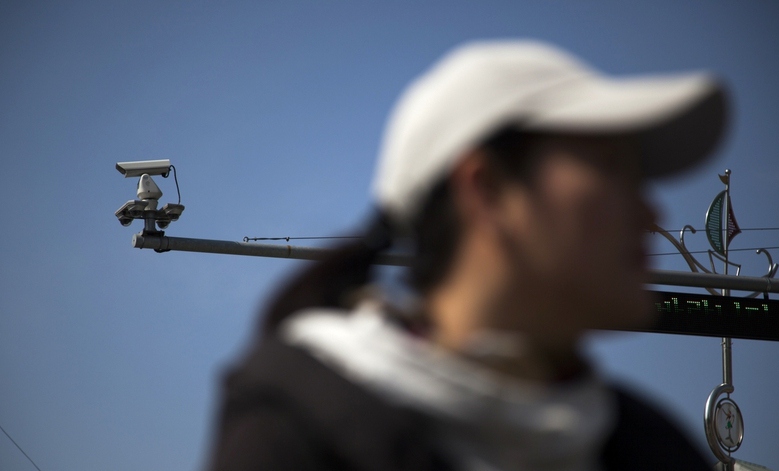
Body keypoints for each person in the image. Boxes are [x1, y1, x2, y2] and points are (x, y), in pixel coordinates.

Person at [207, 40, 728, 471]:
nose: (651, 214)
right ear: (488, 190)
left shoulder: (654, 451)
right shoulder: (295, 434)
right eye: (614, 168)